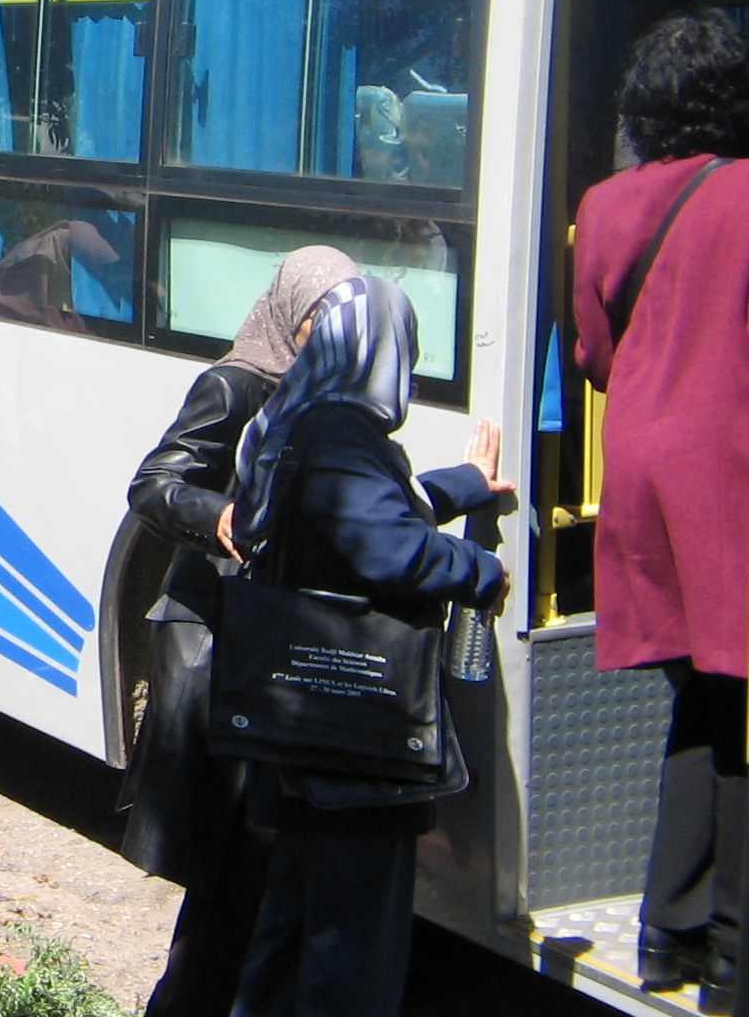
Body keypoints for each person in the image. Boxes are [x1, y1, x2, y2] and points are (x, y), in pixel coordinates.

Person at [227, 277, 509, 1017]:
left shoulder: (289, 420)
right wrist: (479, 568)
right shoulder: (341, 431)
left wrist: (463, 484)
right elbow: (388, 548)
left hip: (297, 729)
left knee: (289, 934)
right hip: (355, 743)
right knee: (351, 954)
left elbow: (362, 515)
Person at [120, 246, 357, 1017]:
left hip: (272, 648)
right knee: (231, 871)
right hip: (219, 647)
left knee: (256, 877)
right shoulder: (237, 384)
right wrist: (215, 514)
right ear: (291, 311)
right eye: (321, 313)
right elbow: (154, 484)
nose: (334, 328)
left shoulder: (330, 394)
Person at [572, 9, 749, 1009]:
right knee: (738, 710)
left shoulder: (602, 206)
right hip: (726, 480)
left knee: (704, 698)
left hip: (638, 475)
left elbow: (596, 357)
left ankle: (665, 934)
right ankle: (730, 958)